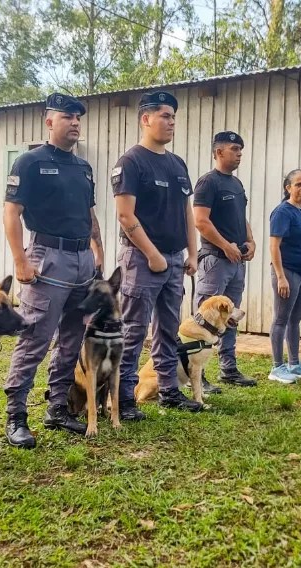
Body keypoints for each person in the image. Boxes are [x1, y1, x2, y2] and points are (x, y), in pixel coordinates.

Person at [3, 93, 103, 446]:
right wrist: (20, 261)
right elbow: (11, 212)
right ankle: (16, 415)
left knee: (72, 338)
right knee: (35, 338)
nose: (75, 122)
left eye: (78, 117)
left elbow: (89, 215)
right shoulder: (30, 162)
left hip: (82, 261)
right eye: (67, 117)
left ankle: (57, 407)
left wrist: (98, 251)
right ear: (49, 121)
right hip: (47, 257)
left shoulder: (83, 168)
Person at [112, 91, 202, 417]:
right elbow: (125, 216)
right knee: (133, 329)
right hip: (141, 260)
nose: (171, 122)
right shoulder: (131, 162)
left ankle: (169, 391)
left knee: (168, 328)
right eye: (165, 116)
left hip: (175, 259)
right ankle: (123, 398)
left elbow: (187, 212)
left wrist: (192, 253)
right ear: (145, 119)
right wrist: (152, 255)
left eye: (174, 117)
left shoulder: (177, 164)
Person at [192, 131, 257, 392]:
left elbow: (243, 218)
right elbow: (200, 221)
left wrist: (250, 242)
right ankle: (198, 373)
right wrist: (225, 246)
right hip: (215, 262)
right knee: (205, 318)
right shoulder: (208, 183)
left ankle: (228, 369)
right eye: (234, 149)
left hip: (236, 263)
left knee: (230, 318)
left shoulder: (237, 185)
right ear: (219, 152)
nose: (239, 153)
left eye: (241, 149)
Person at [268, 169, 301, 383]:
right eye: (298, 184)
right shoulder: (282, 212)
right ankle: (277, 367)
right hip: (288, 272)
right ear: (288, 187)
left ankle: (294, 363)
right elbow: (274, 246)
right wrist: (281, 277)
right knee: (281, 319)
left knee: (296, 319)